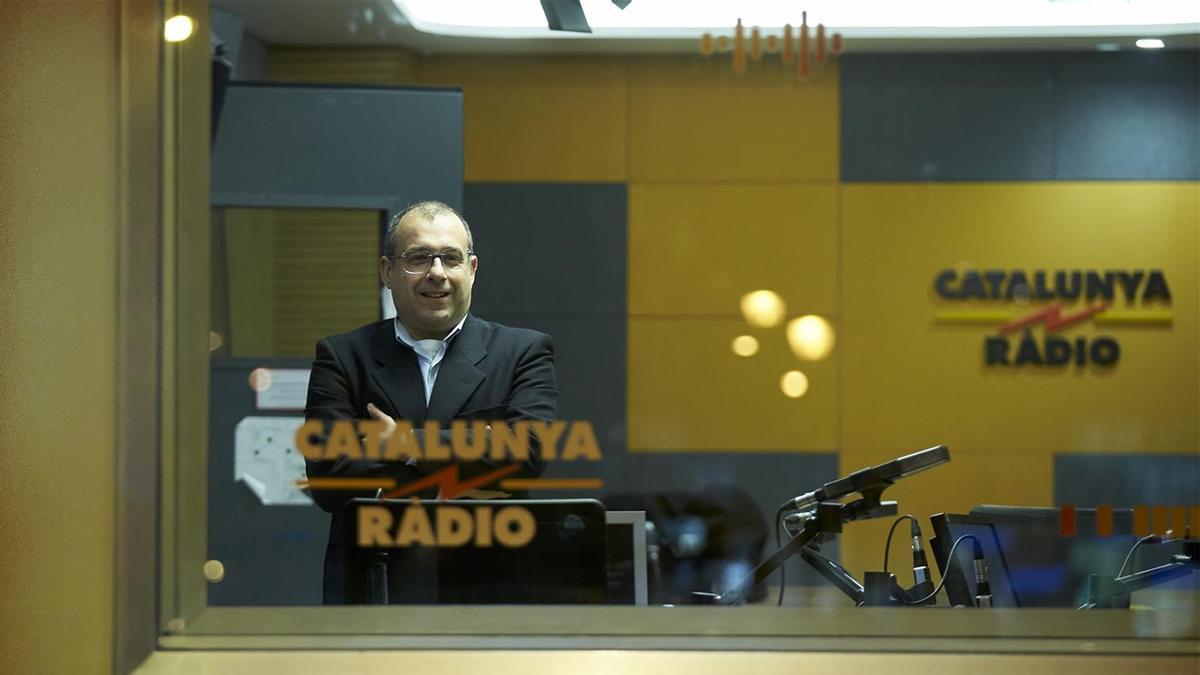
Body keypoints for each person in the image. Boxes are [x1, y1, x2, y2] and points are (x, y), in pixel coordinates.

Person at [303, 200, 557, 603]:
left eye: (450, 259)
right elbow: (329, 478)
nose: (436, 273)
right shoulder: (342, 357)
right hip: (373, 584)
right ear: (388, 271)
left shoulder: (522, 353)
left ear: (471, 270)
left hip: (491, 586)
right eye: (418, 258)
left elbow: (526, 455)